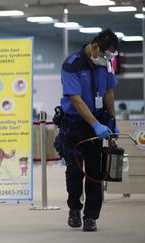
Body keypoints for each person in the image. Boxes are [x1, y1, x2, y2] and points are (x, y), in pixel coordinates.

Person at [56, 28, 119, 232]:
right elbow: (75, 99)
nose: (105, 58)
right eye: (103, 54)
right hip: (74, 124)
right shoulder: (72, 64)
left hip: (98, 123)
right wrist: (94, 124)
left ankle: (91, 216)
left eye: (109, 56)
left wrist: (112, 120)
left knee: (95, 171)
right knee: (75, 171)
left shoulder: (106, 66)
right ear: (94, 47)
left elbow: (109, 92)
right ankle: (74, 209)